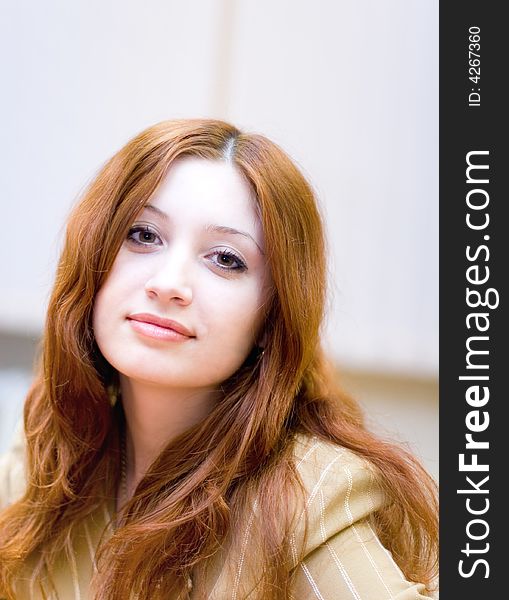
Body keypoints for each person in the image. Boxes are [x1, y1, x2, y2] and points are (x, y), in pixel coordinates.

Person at [0, 119, 438, 599]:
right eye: (143, 235)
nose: (168, 283)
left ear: (272, 319)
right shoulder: (52, 450)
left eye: (226, 259)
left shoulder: (306, 493)